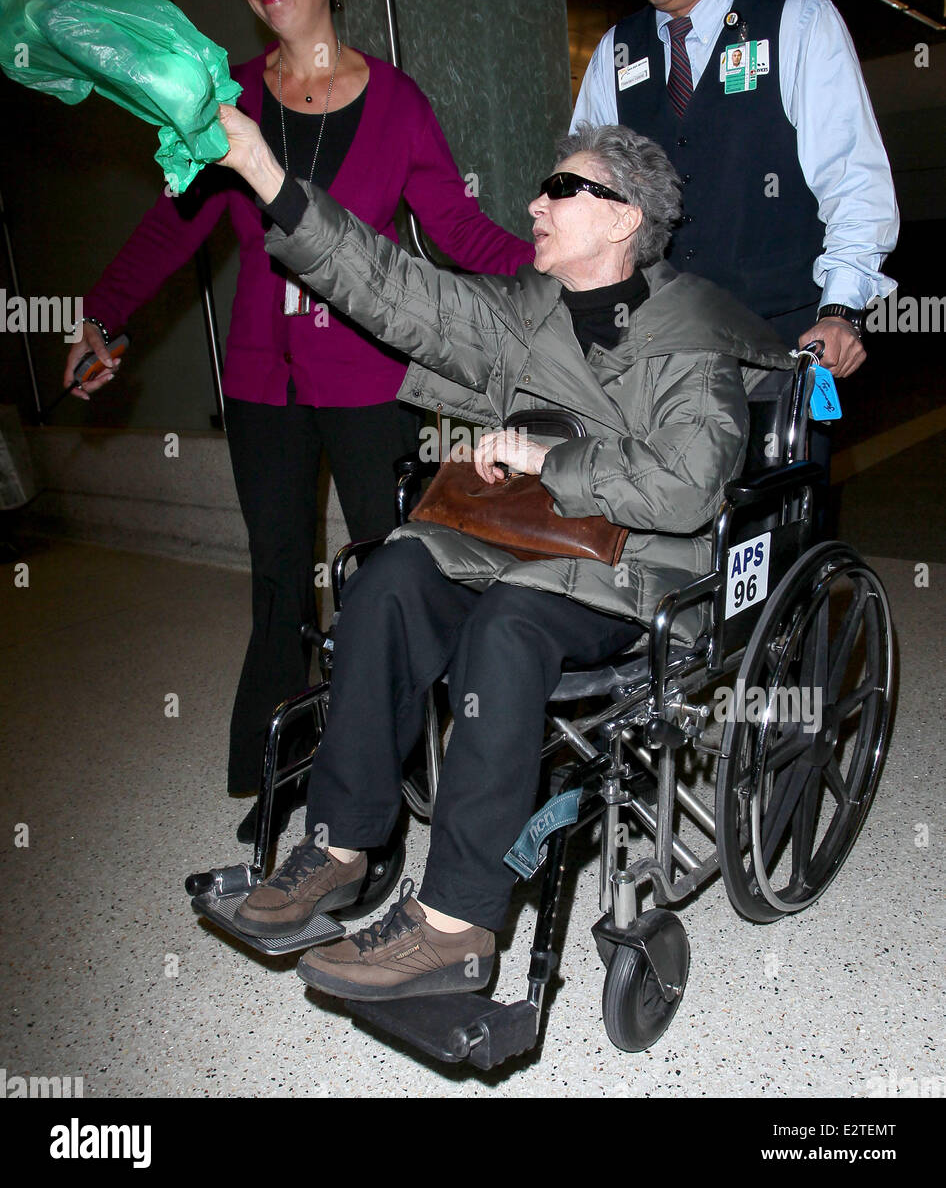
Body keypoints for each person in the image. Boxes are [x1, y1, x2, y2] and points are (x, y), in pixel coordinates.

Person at [214, 108, 792, 999]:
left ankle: (456, 922)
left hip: (630, 571)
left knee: (509, 627)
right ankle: (339, 844)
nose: (534, 204)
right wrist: (268, 177)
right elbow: (392, 285)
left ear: (624, 216)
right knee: (392, 576)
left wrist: (547, 458)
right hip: (516, 543)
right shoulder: (523, 312)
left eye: (562, 188)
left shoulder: (692, 335)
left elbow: (684, 487)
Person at [64, 0, 533, 841]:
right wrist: (103, 317)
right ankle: (281, 771)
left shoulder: (398, 103)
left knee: (387, 572)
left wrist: (558, 274)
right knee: (279, 573)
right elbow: (173, 224)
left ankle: (391, 775)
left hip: (368, 377)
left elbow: (453, 228)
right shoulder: (225, 98)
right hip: (260, 379)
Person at [571, 0, 899, 372]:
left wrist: (840, 309)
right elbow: (587, 202)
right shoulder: (615, 54)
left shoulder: (797, 20)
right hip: (658, 354)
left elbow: (854, 184)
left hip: (781, 345)